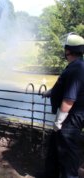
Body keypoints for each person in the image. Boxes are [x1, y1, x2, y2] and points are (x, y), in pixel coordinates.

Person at [42, 33, 84, 178]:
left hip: (70, 119)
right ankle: (49, 174)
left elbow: (69, 99)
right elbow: (65, 85)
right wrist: (51, 92)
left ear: (68, 50)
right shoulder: (76, 66)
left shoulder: (76, 68)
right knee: (54, 148)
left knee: (68, 154)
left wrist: (59, 121)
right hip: (68, 116)